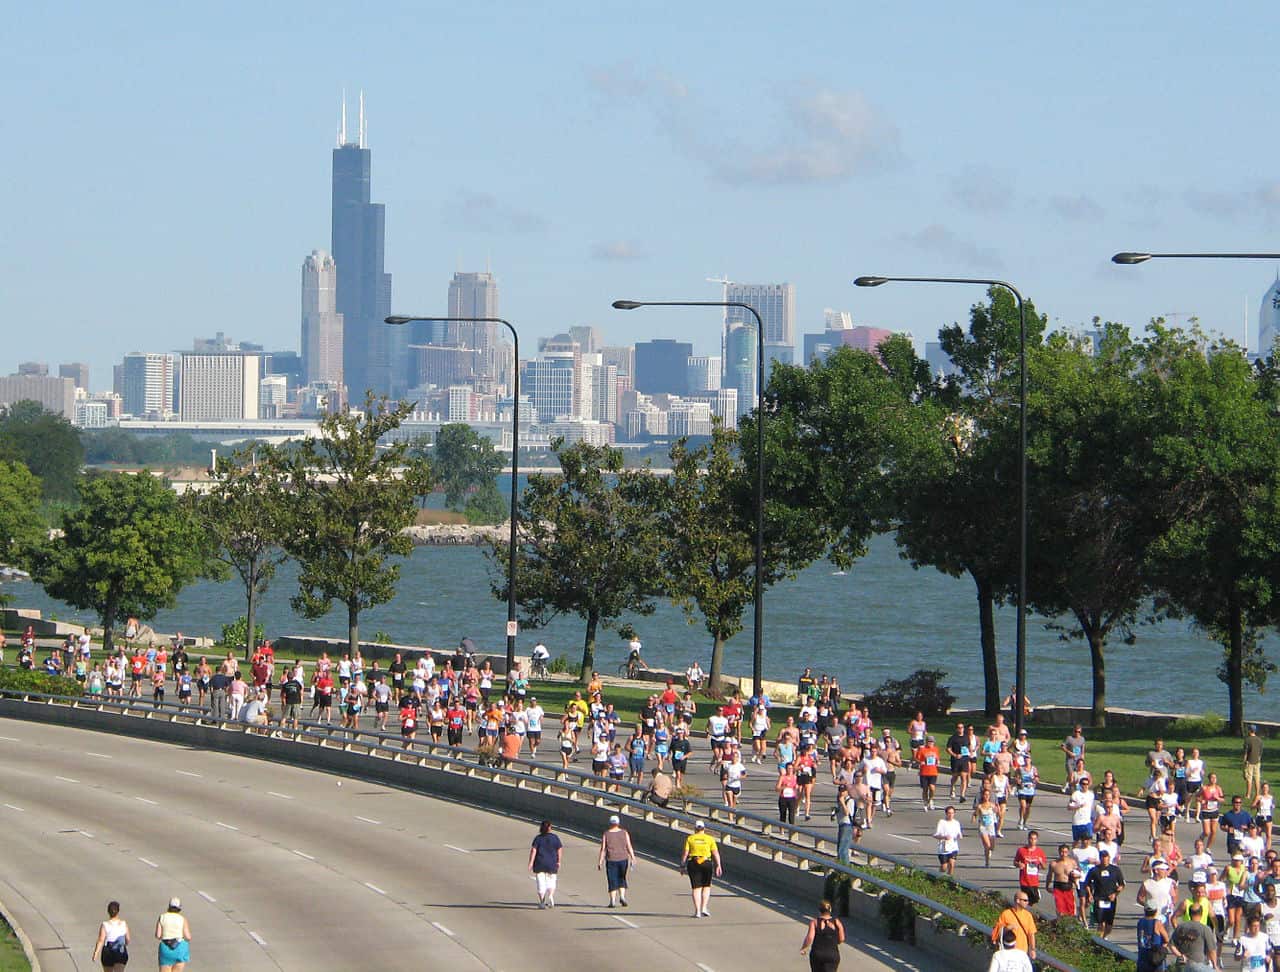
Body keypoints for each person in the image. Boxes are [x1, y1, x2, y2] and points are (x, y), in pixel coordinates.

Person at [680, 820, 721, 918]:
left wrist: (682, 865)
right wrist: (718, 865)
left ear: (695, 829)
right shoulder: (710, 839)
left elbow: (685, 853)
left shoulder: (690, 838)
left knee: (696, 888)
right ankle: (704, 908)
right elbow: (715, 853)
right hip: (706, 862)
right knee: (706, 886)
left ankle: (697, 911)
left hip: (693, 862)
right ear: (704, 829)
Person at [1083, 847, 1125, 938]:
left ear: (1109, 858)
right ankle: (1100, 942)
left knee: (1109, 926)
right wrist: (1090, 895)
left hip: (1111, 899)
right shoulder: (1094, 870)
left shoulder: (1115, 870)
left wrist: (1115, 894)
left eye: (1106, 858)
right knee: (1101, 923)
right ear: (1100, 858)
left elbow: (1122, 885)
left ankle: (1103, 938)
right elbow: (1087, 883)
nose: (1104, 860)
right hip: (1099, 898)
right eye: (1102, 858)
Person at [598, 814, 637, 908]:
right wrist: (633, 857)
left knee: (612, 879)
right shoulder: (624, 832)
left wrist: (600, 861)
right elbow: (629, 846)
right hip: (623, 859)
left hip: (611, 859)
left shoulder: (606, 834)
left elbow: (603, 849)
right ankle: (622, 897)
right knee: (622, 878)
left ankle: (612, 901)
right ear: (618, 823)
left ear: (610, 823)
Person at [800, 900, 845, 972]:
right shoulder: (837, 922)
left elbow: (810, 937)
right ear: (830, 910)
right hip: (832, 954)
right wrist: (834, 942)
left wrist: (804, 948)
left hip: (817, 954)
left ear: (819, 910)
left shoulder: (814, 922)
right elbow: (842, 938)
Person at [991, 890, 1037, 962]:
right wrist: (1007, 928)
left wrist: (1032, 949)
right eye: (1025, 900)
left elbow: (1031, 934)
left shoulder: (1028, 915)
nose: (1027, 903)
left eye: (1028, 900)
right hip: (1008, 952)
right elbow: (997, 932)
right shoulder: (1006, 914)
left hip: (1022, 952)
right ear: (1018, 900)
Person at [529, 820, 563, 909]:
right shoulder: (555, 838)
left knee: (541, 883)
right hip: (552, 863)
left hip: (540, 863)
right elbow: (559, 849)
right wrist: (559, 861)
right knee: (551, 881)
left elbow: (534, 850)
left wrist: (531, 862)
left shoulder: (538, 838)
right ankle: (550, 895)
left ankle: (542, 902)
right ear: (550, 828)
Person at [92, 900, 130, 971]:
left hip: (108, 951)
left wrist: (96, 953)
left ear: (108, 912)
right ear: (118, 911)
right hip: (120, 951)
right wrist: (125, 944)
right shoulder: (123, 924)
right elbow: (128, 939)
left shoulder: (105, 925)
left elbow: (101, 940)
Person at [155, 897, 191, 972]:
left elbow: (158, 935)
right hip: (180, 947)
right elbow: (188, 937)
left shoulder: (162, 917)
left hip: (166, 947)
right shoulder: (182, 919)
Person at [1013, 830, 1047, 906]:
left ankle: (1032, 906)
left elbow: (1044, 867)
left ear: (1037, 840)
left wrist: (1041, 862)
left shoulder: (1040, 852)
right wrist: (1019, 864)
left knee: (1034, 899)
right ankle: (1028, 913)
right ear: (1028, 839)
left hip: (1034, 881)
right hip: (1024, 880)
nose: (1032, 841)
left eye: (1034, 839)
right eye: (1031, 839)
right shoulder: (1021, 850)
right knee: (1025, 900)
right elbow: (1015, 862)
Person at [934, 805, 962, 875]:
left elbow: (959, 833)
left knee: (952, 864)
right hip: (944, 848)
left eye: (952, 813)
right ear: (946, 814)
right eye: (949, 813)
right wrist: (944, 837)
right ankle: (938, 877)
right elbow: (936, 835)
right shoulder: (942, 822)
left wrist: (959, 836)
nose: (951, 815)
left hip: (953, 847)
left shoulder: (956, 823)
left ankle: (950, 880)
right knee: (944, 867)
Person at [1245, 724, 1264, 802]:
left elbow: (1246, 752)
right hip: (1257, 762)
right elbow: (1260, 752)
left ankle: (1248, 794)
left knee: (1249, 778)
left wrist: (1244, 761)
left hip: (1249, 761)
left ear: (1249, 730)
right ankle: (1257, 794)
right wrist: (1258, 760)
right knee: (1257, 778)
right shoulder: (1260, 740)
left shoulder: (1247, 740)